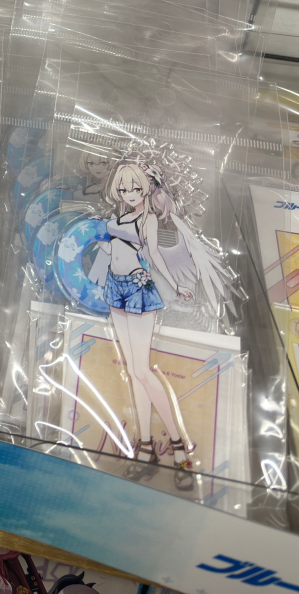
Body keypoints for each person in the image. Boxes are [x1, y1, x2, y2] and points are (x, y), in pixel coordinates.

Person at [91, 146, 228, 471]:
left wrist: (176, 285)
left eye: (135, 188)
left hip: (138, 289)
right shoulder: (119, 218)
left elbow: (154, 255)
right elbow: (115, 251)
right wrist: (101, 248)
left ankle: (179, 442)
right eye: (124, 189)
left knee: (142, 370)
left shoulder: (148, 219)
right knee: (133, 372)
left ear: (145, 189)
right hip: (115, 288)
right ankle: (145, 445)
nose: (130, 194)